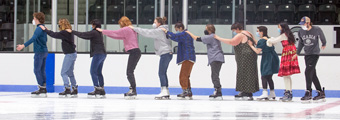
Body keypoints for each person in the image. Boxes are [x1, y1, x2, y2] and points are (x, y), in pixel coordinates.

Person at [128, 17, 173, 100]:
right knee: (163, 72)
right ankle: (165, 90)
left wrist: (134, 28)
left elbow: (147, 32)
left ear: (159, 23)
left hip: (165, 53)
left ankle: (164, 90)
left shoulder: (159, 30)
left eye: (155, 22)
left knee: (161, 73)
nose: (153, 23)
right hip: (167, 53)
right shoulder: (162, 30)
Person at [96, 16, 141, 99]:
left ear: (123, 22)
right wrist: (105, 33)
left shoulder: (126, 29)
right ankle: (132, 89)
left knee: (129, 72)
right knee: (129, 72)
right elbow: (117, 36)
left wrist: (102, 31)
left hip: (134, 52)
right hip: (135, 52)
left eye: (120, 23)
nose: (120, 25)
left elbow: (115, 33)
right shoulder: (130, 30)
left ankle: (133, 90)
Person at [214, 22, 259, 101]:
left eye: (234, 30)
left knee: (243, 73)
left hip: (244, 56)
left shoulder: (240, 35)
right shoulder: (249, 33)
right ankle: (248, 91)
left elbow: (232, 42)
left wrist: (219, 38)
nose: (234, 32)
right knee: (250, 73)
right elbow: (256, 42)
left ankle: (245, 91)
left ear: (237, 29)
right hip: (252, 56)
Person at [66, 19, 106, 98]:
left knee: (93, 71)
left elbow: (83, 34)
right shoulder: (99, 33)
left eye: (92, 25)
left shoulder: (94, 32)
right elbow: (86, 36)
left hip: (98, 54)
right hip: (103, 53)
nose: (91, 26)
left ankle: (97, 88)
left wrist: (72, 31)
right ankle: (101, 89)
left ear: (94, 25)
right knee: (98, 72)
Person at [39, 18, 78, 98]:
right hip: (72, 54)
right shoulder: (69, 31)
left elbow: (54, 35)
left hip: (69, 54)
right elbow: (55, 34)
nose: (58, 25)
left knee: (63, 72)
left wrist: (45, 30)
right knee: (70, 73)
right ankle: (74, 88)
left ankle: (67, 88)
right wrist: (47, 30)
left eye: (59, 24)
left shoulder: (64, 32)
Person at [185, 24, 225, 100]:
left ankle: (218, 91)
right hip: (217, 58)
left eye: (206, 29)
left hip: (216, 58)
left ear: (209, 30)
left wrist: (189, 33)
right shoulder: (213, 36)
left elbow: (197, 38)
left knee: (214, 76)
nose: (205, 30)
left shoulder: (210, 37)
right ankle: (217, 90)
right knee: (214, 75)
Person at [160, 22, 196, 100]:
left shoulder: (184, 34)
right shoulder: (185, 34)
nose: (176, 31)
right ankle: (188, 91)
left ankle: (185, 90)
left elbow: (175, 36)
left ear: (180, 28)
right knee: (186, 75)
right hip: (190, 57)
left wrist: (166, 32)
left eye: (177, 29)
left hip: (188, 57)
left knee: (183, 75)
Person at [295, 16, 326, 103]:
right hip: (307, 54)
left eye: (303, 24)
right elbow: (301, 43)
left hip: (314, 54)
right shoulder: (300, 31)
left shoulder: (316, 29)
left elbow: (322, 37)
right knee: (312, 74)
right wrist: (297, 53)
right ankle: (320, 92)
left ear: (308, 23)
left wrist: (324, 43)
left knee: (308, 71)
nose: (302, 26)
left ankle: (308, 92)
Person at [16, 12, 48, 97]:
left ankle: (41, 87)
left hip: (39, 52)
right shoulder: (44, 27)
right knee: (42, 70)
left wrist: (23, 45)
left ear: (37, 19)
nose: (33, 20)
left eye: (34, 18)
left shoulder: (39, 29)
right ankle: (43, 87)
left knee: (37, 70)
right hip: (44, 51)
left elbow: (33, 38)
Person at [267, 22, 300, 102]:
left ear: (282, 27)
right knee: (287, 75)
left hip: (287, 54)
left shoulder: (283, 35)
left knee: (286, 75)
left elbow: (275, 40)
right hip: (291, 53)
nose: (278, 28)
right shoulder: (289, 34)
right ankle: (289, 92)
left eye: (279, 27)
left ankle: (288, 92)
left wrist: (268, 39)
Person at [248, 26, 280, 101]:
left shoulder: (262, 41)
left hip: (267, 58)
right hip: (273, 57)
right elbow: (259, 44)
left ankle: (265, 92)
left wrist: (251, 45)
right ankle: (272, 92)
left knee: (264, 75)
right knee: (269, 76)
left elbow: (257, 51)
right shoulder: (269, 38)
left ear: (261, 32)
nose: (257, 32)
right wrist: (253, 38)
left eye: (258, 31)